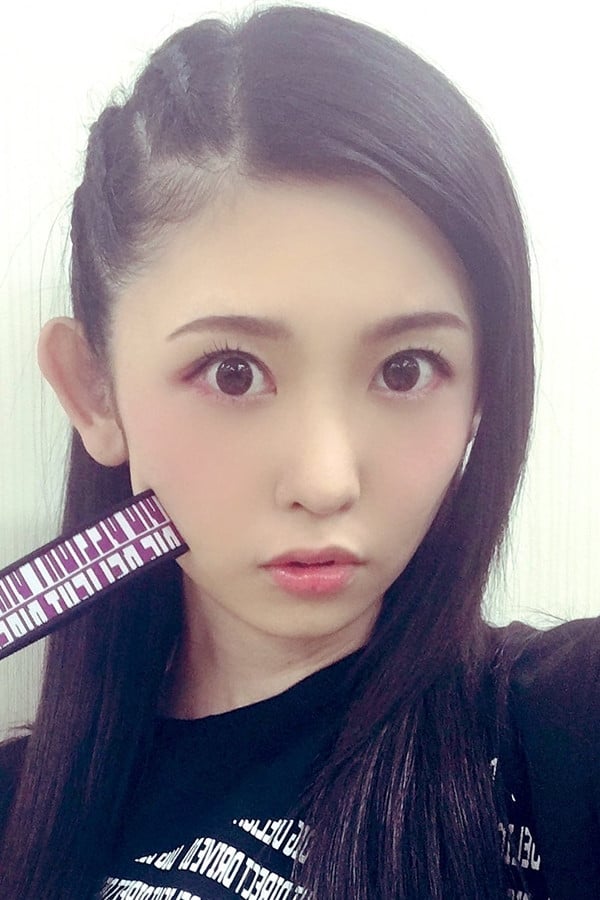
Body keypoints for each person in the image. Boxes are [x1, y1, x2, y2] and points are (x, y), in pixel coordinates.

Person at [0, 4, 597, 898]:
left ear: (484, 387)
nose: (325, 481)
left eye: (406, 368)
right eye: (233, 372)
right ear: (95, 390)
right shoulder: (19, 816)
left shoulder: (559, 729)